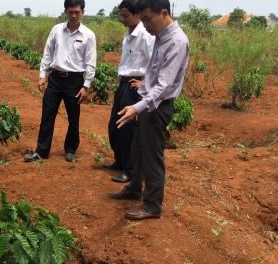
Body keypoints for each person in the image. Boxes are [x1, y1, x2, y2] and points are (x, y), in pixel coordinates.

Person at [108, 0, 190, 221]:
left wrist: (137, 107)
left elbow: (163, 86)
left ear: (163, 13)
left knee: (152, 157)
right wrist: (141, 95)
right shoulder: (161, 38)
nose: (144, 25)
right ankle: (135, 189)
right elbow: (151, 74)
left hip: (158, 107)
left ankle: (152, 205)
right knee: (138, 150)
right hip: (148, 104)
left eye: (146, 19)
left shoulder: (176, 42)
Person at [24, 0, 96, 162]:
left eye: (77, 12)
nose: (73, 15)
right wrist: (43, 75)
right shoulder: (56, 30)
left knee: (73, 116)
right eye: (70, 11)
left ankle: (70, 149)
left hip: (75, 81)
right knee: (47, 114)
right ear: (65, 11)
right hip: (55, 79)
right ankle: (42, 150)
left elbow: (91, 63)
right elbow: (48, 53)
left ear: (82, 12)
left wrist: (86, 86)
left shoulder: (88, 35)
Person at [103, 0, 155, 183]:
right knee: (115, 125)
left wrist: (145, 82)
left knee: (127, 129)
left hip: (134, 86)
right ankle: (119, 160)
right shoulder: (128, 34)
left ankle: (130, 169)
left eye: (126, 15)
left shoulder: (145, 35)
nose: (122, 19)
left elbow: (154, 62)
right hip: (124, 84)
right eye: (121, 15)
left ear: (137, 15)